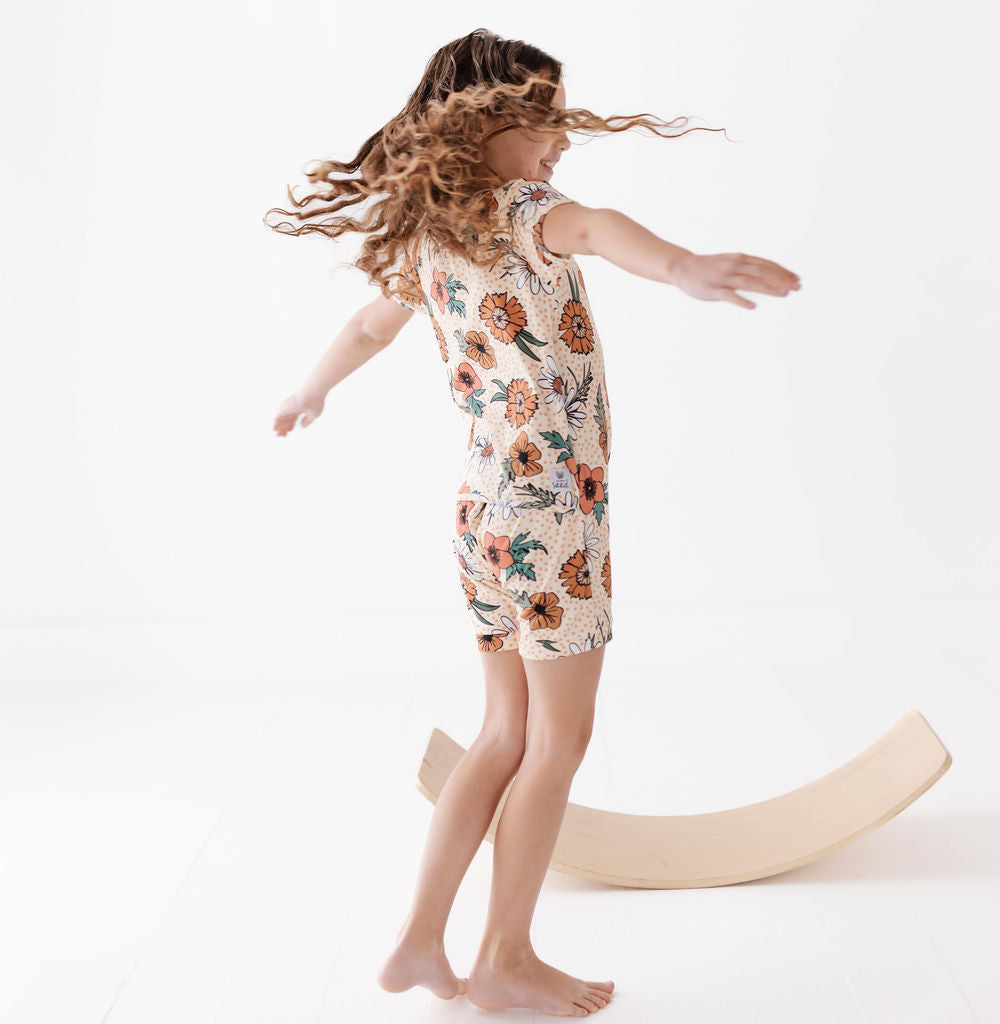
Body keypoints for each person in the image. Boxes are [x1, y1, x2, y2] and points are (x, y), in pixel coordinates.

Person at [268, 28, 800, 1018]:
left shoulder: (428, 233)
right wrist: (680, 266)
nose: (561, 137)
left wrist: (311, 390)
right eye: (546, 117)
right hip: (551, 511)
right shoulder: (520, 211)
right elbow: (594, 228)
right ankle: (504, 956)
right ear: (492, 123)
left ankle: (422, 942)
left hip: (481, 512)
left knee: (500, 732)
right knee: (557, 740)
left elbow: (368, 327)